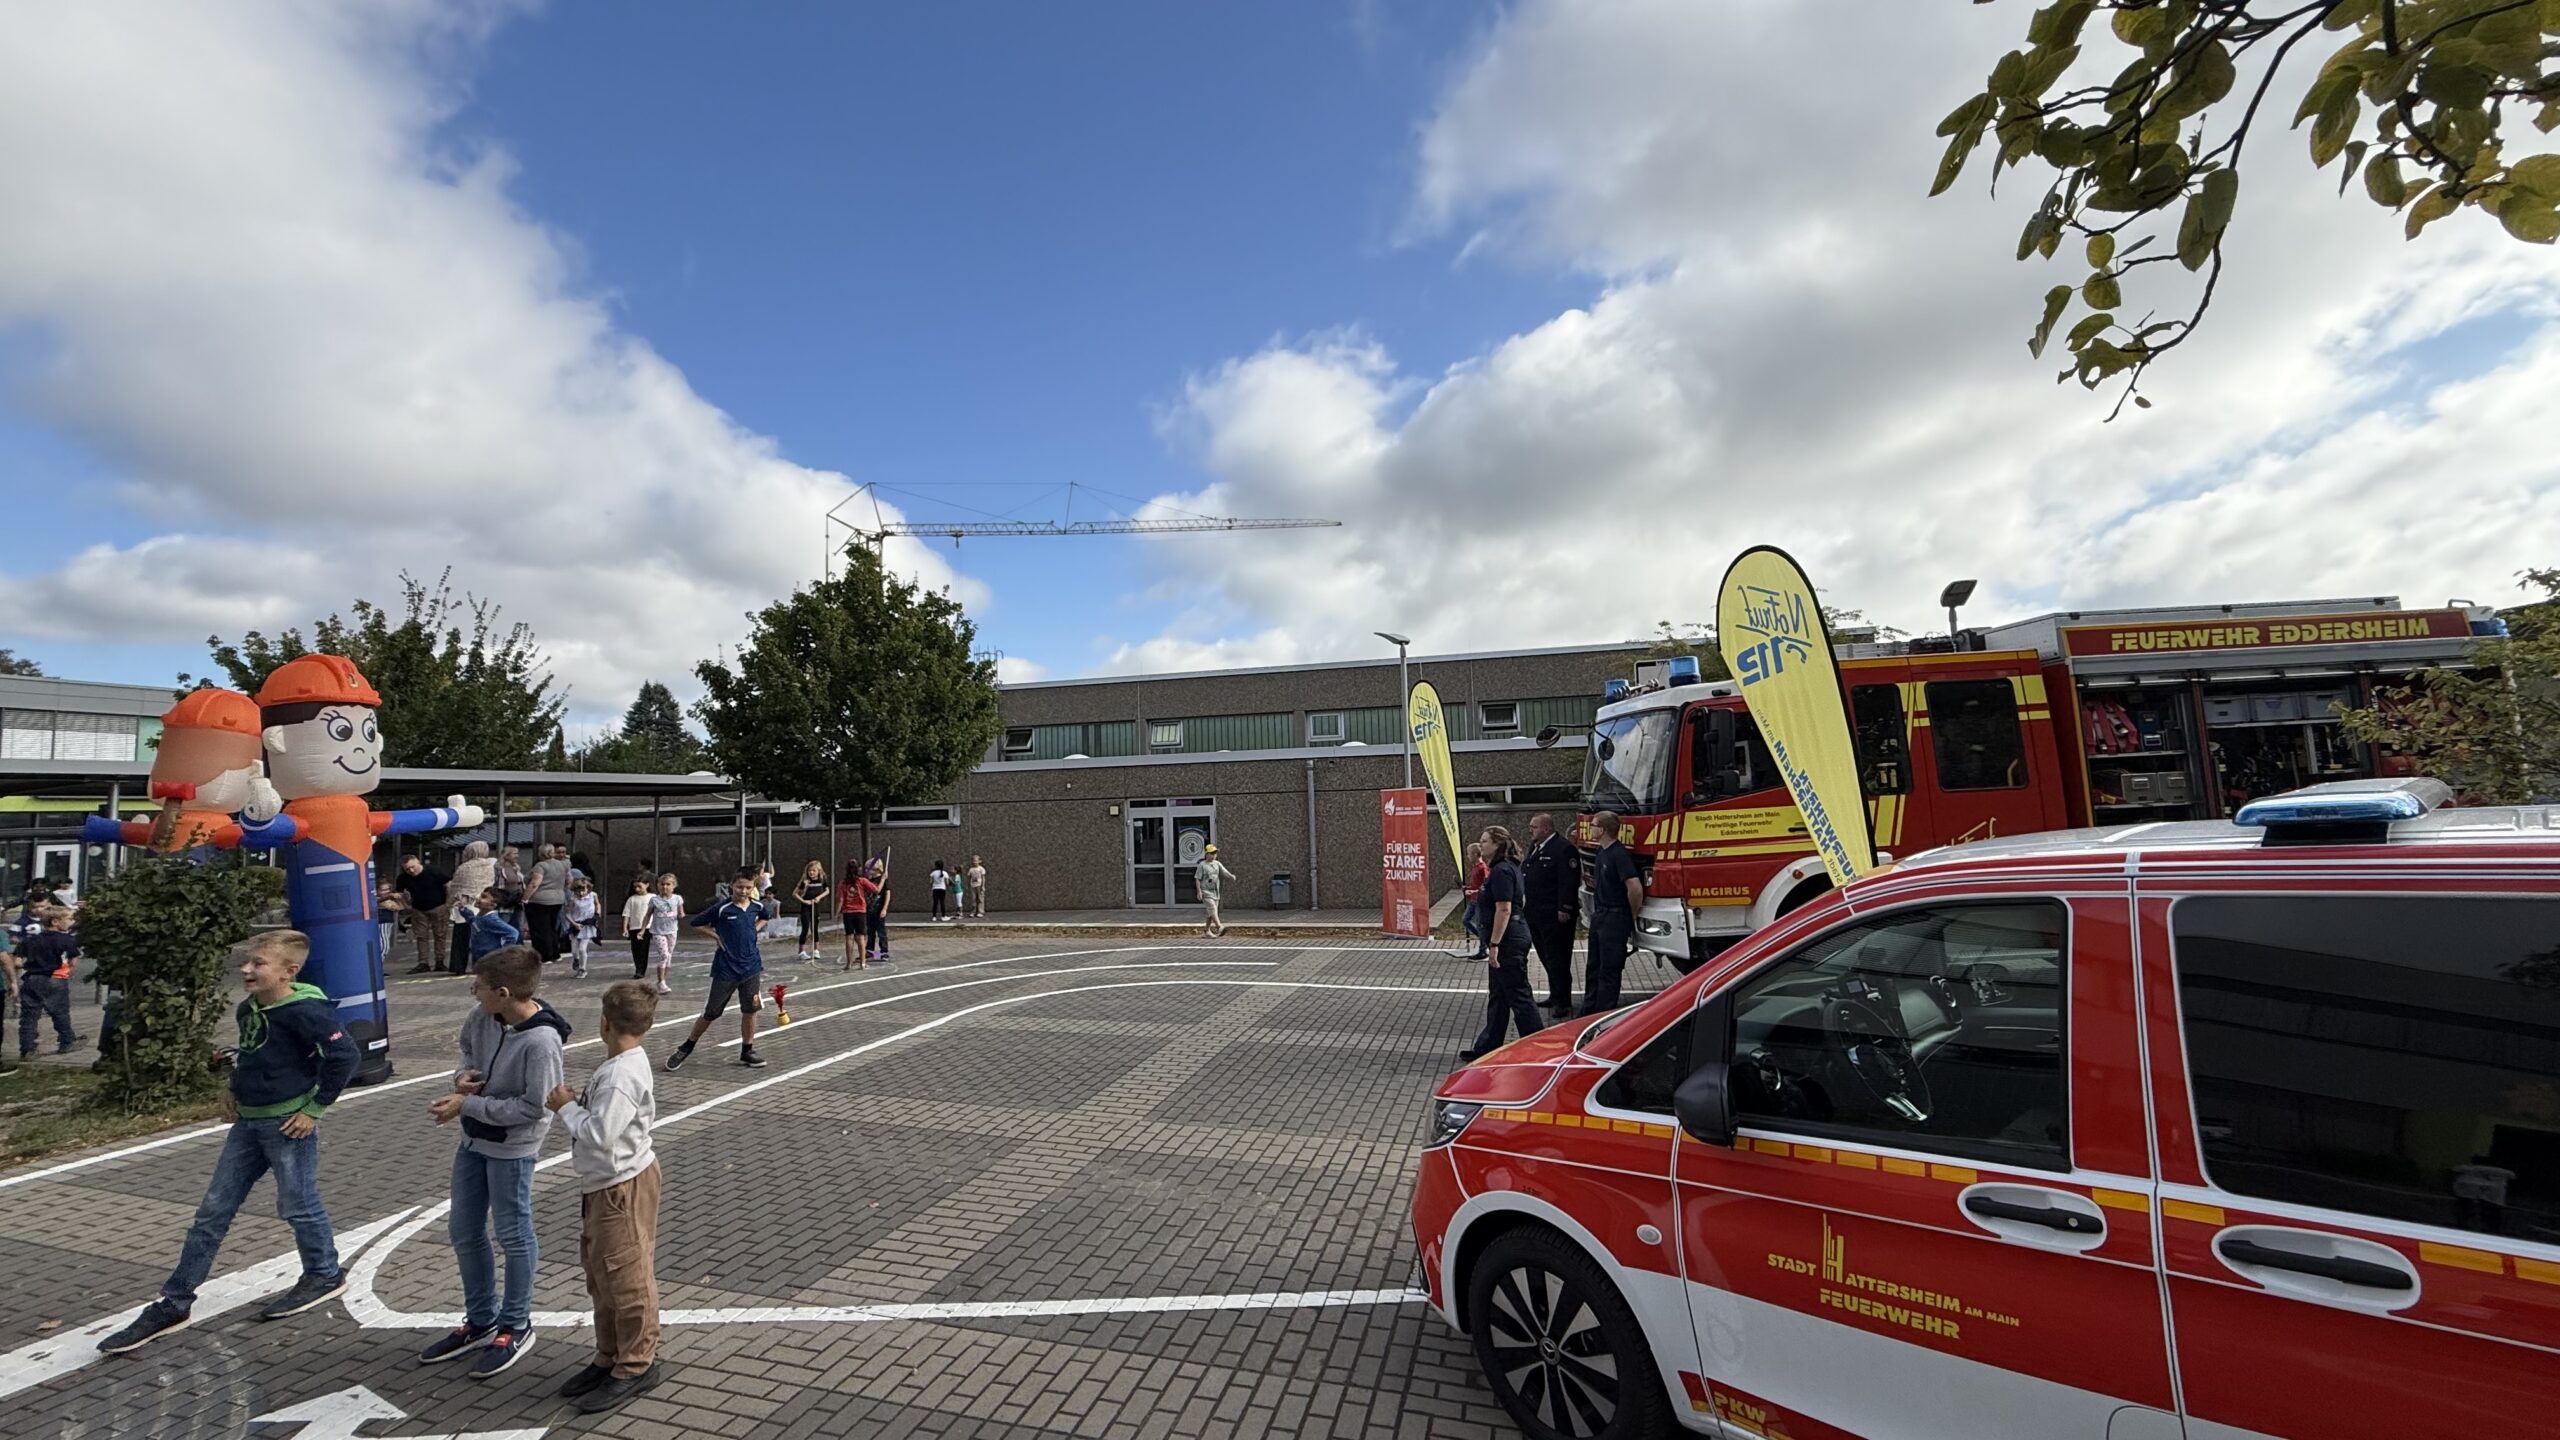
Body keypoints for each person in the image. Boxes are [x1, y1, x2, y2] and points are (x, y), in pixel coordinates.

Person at [96, 931, 359, 1353]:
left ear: (289, 971)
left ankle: (324, 1274)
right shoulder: (248, 1008)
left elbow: (345, 1057)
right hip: (248, 1124)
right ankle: (175, 1302)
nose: (246, 969)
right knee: (212, 1212)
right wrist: (234, 1088)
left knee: (298, 1206)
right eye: (246, 962)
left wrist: (314, 1110)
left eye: (258, 963)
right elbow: (254, 1054)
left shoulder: (307, 1012)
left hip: (287, 1125)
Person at [421, 944, 570, 1378]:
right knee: (464, 1230)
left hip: (512, 1149)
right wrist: (462, 1077)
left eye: (479, 987)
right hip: (473, 1141)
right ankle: (480, 1320)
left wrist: (467, 1106)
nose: (474, 992)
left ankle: (516, 1324)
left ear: (503, 993)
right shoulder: (482, 1017)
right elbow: (468, 1050)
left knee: (513, 1233)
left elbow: (534, 1108)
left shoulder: (541, 1042)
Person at [545, 981, 663, 1413]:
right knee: (602, 1274)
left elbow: (600, 1134)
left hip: (621, 1186)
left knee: (626, 1275)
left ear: (605, 1023)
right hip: (606, 1184)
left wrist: (565, 1106)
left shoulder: (619, 1076)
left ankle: (636, 1363)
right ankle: (609, 1354)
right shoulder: (619, 1066)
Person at [664, 875, 772, 1071]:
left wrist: (755, 928)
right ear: (732, 886)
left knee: (750, 1009)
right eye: (739, 887)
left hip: (751, 967)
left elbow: (766, 916)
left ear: (753, 888)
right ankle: (686, 1046)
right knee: (711, 1012)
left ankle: (747, 1050)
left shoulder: (757, 906)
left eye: (748, 887)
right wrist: (716, 935)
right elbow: (696, 923)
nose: (744, 891)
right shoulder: (722, 908)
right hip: (726, 968)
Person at [1460, 826, 1543, 1062]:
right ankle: (1487, 1046)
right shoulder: (1501, 868)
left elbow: (1504, 908)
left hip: (1508, 939)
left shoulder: (1502, 870)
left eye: (1485, 841)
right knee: (1498, 994)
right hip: (1508, 936)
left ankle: (1537, 1047)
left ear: (1497, 844)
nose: (1481, 844)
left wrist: (1495, 944)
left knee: (1518, 995)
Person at [1581, 810, 1643, 1016]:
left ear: (1603, 829)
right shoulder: (1602, 852)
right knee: (1594, 967)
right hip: (1600, 914)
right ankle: (1588, 1010)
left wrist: (1631, 914)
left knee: (1609, 970)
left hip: (1615, 916)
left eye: (1594, 825)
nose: (1591, 828)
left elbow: (1634, 886)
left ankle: (1603, 1013)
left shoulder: (1619, 854)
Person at [1522, 814, 1582, 1017]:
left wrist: (1565, 908)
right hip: (1535, 912)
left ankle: (1563, 1002)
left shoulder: (1563, 848)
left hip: (1554, 914)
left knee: (1558, 958)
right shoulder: (1536, 847)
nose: (1530, 830)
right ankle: (1555, 995)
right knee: (1545, 955)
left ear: (1546, 828)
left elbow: (1568, 881)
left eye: (1534, 826)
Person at [18, 906, 80, 1058]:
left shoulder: (30, 939)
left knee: (28, 1016)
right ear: (55, 922)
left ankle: (27, 1048)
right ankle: (67, 1041)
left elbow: (18, 960)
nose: (72, 922)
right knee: (59, 1012)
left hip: (31, 978)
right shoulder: (66, 940)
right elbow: (73, 960)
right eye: (69, 919)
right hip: (55, 978)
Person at [394, 853, 452, 977]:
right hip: (418, 909)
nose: (411, 870)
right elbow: (399, 893)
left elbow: (448, 885)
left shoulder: (433, 871)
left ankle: (440, 961)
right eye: (407, 869)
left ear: (418, 863)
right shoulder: (403, 878)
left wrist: (448, 904)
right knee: (421, 937)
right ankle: (423, 962)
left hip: (439, 906)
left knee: (440, 935)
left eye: (413, 867)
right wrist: (406, 906)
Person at [447, 841, 499, 975]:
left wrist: (450, 902)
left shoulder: (464, 867)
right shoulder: (490, 866)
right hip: (484, 906)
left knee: (461, 937)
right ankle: (481, 965)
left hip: (465, 906)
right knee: (482, 937)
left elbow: (455, 887)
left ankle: (458, 966)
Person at [524, 845, 571, 966]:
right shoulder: (563, 865)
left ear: (541, 853)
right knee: (552, 927)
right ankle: (555, 953)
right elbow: (569, 880)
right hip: (558, 898)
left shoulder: (541, 866)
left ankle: (544, 956)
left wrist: (525, 898)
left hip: (540, 900)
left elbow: (535, 883)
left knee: (540, 929)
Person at [646, 874, 683, 995]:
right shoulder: (654, 900)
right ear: (658, 886)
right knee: (664, 955)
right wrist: (642, 929)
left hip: (672, 931)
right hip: (658, 932)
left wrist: (680, 915)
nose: (665, 887)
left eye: (668, 884)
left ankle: (663, 981)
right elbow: (648, 915)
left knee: (669, 956)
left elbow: (681, 912)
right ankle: (661, 981)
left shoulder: (677, 898)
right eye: (662, 884)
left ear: (673, 886)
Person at [1195, 843, 1236, 939]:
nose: (1214, 855)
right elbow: (1197, 879)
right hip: (1206, 891)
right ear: (1207, 854)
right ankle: (1219, 927)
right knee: (1212, 908)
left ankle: (1207, 931)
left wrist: (1231, 876)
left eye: (1215, 853)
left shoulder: (1217, 864)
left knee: (1211, 913)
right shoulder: (1202, 865)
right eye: (1212, 853)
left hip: (1215, 891)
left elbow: (1224, 871)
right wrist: (1199, 891)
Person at [469, 890, 521, 963]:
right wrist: (462, 909)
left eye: (483, 897)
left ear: (492, 905)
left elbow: (513, 933)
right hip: (478, 953)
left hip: (488, 957)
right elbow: (473, 921)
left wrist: (503, 950)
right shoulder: (481, 915)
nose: (477, 897)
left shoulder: (491, 920)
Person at [792, 861, 829, 960]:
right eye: (809, 870)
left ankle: (816, 950)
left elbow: (827, 891)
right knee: (805, 928)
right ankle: (801, 951)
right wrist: (804, 901)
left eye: (813, 870)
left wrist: (819, 897)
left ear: (818, 871)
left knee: (815, 928)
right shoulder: (805, 881)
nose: (811, 872)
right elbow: (794, 894)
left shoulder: (822, 880)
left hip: (815, 906)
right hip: (806, 907)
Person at [1461, 845, 1491, 960]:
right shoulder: (1475, 867)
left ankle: (1483, 949)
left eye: (1469, 854)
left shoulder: (1482, 868)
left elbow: (1486, 885)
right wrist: (1468, 888)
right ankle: (1484, 938)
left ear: (1475, 855)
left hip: (1480, 900)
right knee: (1466, 920)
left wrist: (1473, 891)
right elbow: (1476, 885)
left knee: (1480, 924)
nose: (1467, 856)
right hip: (1473, 900)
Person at [837, 859, 868, 971]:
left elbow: (841, 900)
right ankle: (863, 963)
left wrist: (837, 913)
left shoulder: (843, 883)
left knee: (849, 937)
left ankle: (849, 964)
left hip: (848, 912)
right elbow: (876, 889)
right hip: (860, 912)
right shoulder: (862, 881)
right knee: (861, 937)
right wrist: (883, 879)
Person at [620, 879, 654, 981]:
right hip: (634, 927)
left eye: (640, 886)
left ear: (647, 885)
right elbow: (626, 914)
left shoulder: (652, 897)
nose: (637, 889)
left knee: (643, 948)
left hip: (647, 927)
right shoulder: (631, 899)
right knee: (635, 949)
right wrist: (625, 928)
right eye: (635, 887)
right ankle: (638, 968)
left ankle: (641, 970)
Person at [565, 878, 599, 979]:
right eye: (578, 891)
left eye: (583, 890)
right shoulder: (573, 899)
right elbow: (567, 913)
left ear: (588, 888)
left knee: (582, 949)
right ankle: (576, 959)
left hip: (587, 925)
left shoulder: (593, 895)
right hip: (576, 925)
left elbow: (597, 904)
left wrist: (597, 914)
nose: (581, 893)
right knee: (574, 950)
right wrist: (574, 923)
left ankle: (582, 969)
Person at [863, 860, 893, 963]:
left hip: (879, 910)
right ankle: (870, 951)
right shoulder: (869, 879)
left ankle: (884, 952)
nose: (867, 870)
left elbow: (887, 894)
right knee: (870, 932)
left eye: (869, 868)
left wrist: (884, 909)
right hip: (869, 909)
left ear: (876, 869)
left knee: (881, 932)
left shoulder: (883, 879)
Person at [494, 847, 527, 930]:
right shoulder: (500, 869)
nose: (517, 856)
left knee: (518, 927)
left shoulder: (516, 868)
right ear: (506, 856)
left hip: (518, 902)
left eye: (517, 853)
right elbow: (499, 887)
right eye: (514, 854)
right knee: (504, 926)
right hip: (506, 903)